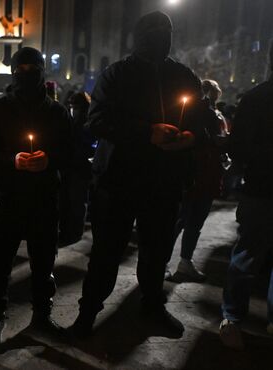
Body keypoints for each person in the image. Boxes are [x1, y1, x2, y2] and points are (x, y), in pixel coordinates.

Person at [71, 11, 208, 339]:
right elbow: (98, 119)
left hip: (163, 183)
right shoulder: (117, 74)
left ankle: (151, 306)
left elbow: (200, 120)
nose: (160, 34)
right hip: (118, 182)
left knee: (157, 251)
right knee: (106, 252)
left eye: (166, 29)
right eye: (153, 29)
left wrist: (190, 137)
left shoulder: (183, 76)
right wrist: (147, 132)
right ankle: (88, 312)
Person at [0, 47, 72, 349]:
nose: (26, 73)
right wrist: (12, 160)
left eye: (33, 68)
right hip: (8, 200)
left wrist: (50, 160)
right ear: (12, 72)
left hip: (44, 202)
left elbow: (71, 152)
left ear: (42, 71)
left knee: (43, 262)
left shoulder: (57, 113)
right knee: (0, 263)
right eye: (20, 69)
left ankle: (42, 314)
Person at [219, 46, 273, 350]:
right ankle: (242, 317)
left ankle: (233, 318)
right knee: (248, 256)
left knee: (246, 256)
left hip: (259, 189)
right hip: (261, 191)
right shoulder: (256, 99)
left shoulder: (254, 98)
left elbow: (238, 149)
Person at [165, 79, 230, 282]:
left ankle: (185, 262)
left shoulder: (214, 113)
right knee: (181, 220)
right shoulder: (194, 111)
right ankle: (163, 262)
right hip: (194, 173)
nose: (212, 98)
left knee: (194, 221)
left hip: (209, 173)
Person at [58, 92, 93, 246]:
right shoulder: (72, 122)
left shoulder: (88, 123)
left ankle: (74, 232)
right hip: (70, 167)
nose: (74, 110)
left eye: (76, 107)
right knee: (67, 201)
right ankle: (68, 230)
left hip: (80, 168)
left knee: (77, 202)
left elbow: (90, 146)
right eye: (72, 107)